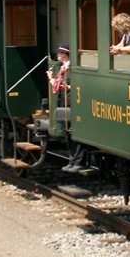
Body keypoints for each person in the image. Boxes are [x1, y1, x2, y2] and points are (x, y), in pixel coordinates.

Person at [47, 44, 87, 172]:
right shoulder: (63, 69)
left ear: (65, 54)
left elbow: (73, 86)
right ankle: (71, 160)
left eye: (59, 53)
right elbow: (59, 86)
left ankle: (79, 161)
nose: (57, 55)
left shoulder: (71, 68)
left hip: (71, 103)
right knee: (67, 133)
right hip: (63, 102)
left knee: (74, 132)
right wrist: (51, 79)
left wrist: (66, 86)